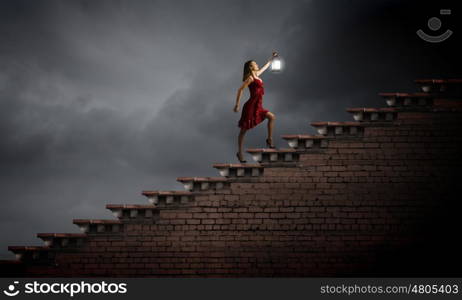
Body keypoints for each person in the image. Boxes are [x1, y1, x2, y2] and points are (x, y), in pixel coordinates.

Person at [233, 51, 278, 163]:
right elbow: (240, 90)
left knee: (272, 117)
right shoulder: (250, 78)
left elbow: (266, 66)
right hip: (250, 106)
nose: (257, 64)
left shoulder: (257, 74)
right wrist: (237, 104)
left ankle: (269, 139)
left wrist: (271, 58)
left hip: (259, 106)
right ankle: (240, 153)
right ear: (250, 66)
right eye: (255, 63)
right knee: (243, 130)